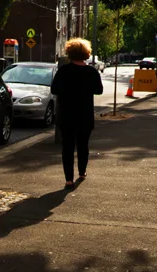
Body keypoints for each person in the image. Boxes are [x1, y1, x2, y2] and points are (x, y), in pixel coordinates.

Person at [50, 38, 104, 188]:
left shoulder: (64, 71)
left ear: (70, 53)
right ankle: (82, 172)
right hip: (85, 115)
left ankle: (68, 179)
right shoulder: (91, 72)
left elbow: (54, 89)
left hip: (66, 115)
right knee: (83, 145)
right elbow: (99, 90)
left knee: (67, 147)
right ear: (86, 53)